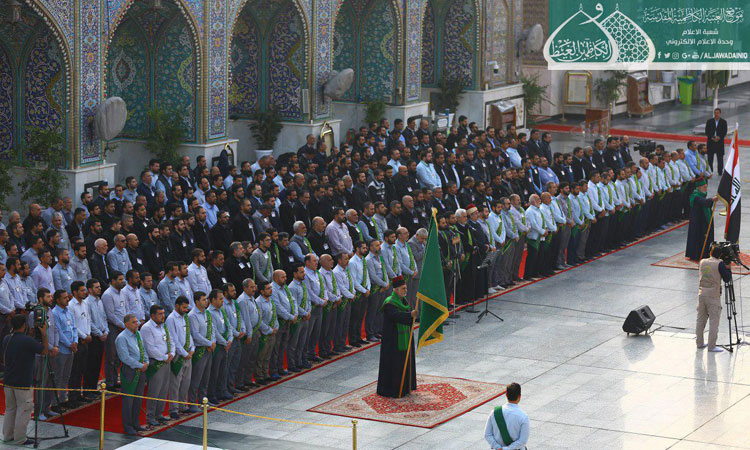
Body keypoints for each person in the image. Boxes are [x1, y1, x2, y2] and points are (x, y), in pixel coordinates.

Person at [2, 314, 48, 445]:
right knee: (24, 410)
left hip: (8, 380)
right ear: (24, 325)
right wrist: (44, 334)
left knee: (10, 409)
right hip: (23, 382)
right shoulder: (27, 341)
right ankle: (20, 438)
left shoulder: (7, 338)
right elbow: (44, 351)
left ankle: (8, 436)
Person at [376, 276, 417, 398]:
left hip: (404, 337)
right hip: (393, 340)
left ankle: (405, 387)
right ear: (396, 289)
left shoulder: (404, 301)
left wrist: (410, 315)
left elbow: (406, 314)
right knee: (394, 365)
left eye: (406, 288)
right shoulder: (389, 303)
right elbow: (396, 316)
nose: (406, 291)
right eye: (403, 288)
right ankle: (393, 390)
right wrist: (410, 315)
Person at [115, 313, 149, 435]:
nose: (137, 324)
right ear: (126, 324)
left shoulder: (138, 334)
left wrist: (146, 362)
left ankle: (136, 423)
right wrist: (140, 365)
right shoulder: (122, 338)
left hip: (141, 369)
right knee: (128, 400)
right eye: (134, 322)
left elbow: (143, 350)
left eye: (137, 321)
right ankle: (128, 426)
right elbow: (125, 357)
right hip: (130, 371)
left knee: (138, 398)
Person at [141, 304, 174, 426]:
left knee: (164, 389)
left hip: (166, 361)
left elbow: (171, 341)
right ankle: (150, 416)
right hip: (156, 363)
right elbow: (150, 348)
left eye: (163, 313)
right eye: (160, 314)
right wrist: (165, 357)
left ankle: (159, 414)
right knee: (154, 391)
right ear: (152, 315)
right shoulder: (147, 328)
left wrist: (172, 353)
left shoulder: (164, 326)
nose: (163, 316)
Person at [697, 243, 733, 352]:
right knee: (714, 321)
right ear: (720, 255)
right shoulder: (719, 264)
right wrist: (728, 268)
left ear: (710, 252)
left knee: (700, 320)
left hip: (701, 294)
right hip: (713, 296)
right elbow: (727, 278)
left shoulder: (702, 262)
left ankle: (699, 343)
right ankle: (711, 346)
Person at [484, 382, 530, 450]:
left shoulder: (494, 412)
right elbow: (523, 441)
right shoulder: (523, 416)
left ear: (506, 395)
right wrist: (507, 449)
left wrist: (498, 447)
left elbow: (487, 435)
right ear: (519, 396)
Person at [685, 180, 717, 261]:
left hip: (703, 221)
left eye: (706, 187)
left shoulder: (702, 195)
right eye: (704, 187)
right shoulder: (695, 196)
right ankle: (697, 254)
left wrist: (711, 201)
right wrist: (712, 200)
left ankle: (706, 252)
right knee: (699, 237)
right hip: (698, 222)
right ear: (699, 187)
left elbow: (707, 204)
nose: (706, 189)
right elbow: (704, 202)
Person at [705, 108, 727, 174]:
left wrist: (719, 137)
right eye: (715, 113)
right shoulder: (709, 121)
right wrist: (712, 137)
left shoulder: (723, 122)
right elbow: (707, 131)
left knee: (720, 157)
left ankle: (720, 171)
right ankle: (710, 171)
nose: (716, 114)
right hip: (711, 142)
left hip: (719, 142)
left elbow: (724, 131)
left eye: (717, 113)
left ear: (720, 113)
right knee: (710, 157)